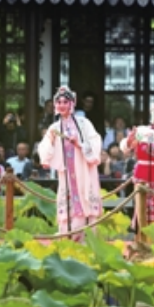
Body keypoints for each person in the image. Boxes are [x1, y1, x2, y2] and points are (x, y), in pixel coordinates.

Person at [39, 86, 103, 240]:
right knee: (68, 201)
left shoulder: (83, 124)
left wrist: (79, 143)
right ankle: (67, 235)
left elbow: (95, 142)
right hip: (67, 171)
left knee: (85, 198)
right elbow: (45, 144)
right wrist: (46, 157)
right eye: (59, 102)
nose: (61, 105)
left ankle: (86, 238)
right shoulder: (55, 127)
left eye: (65, 102)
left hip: (83, 169)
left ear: (72, 103)